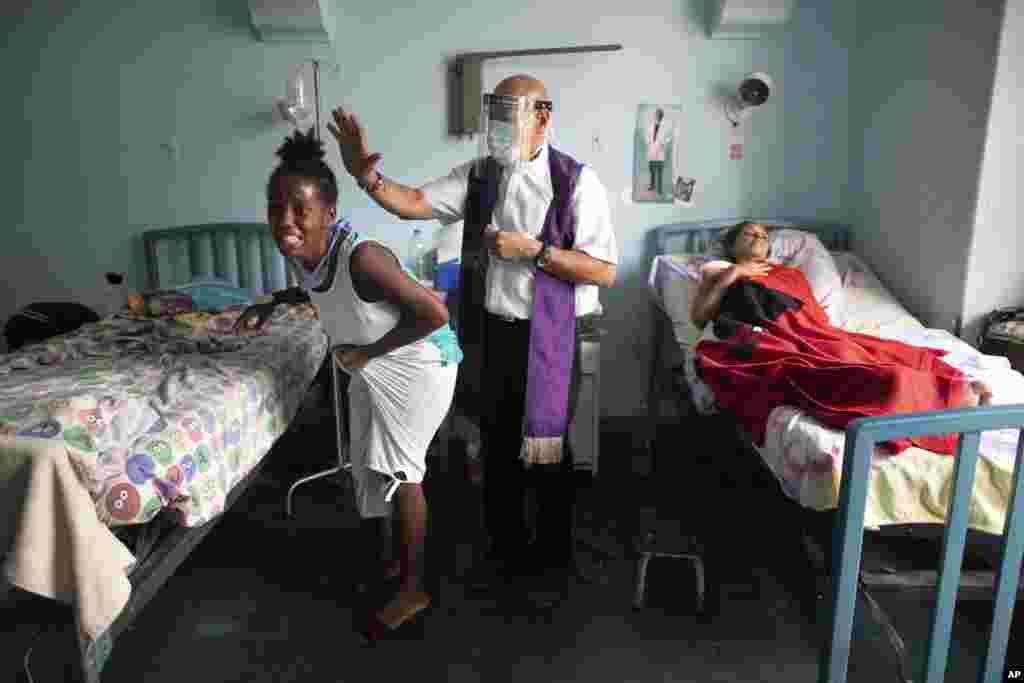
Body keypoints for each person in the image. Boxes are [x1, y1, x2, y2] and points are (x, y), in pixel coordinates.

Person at [326, 74, 618, 602]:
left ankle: (552, 562)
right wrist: (365, 178)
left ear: (542, 118)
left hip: (549, 340)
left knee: (548, 455)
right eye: (495, 114)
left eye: (511, 114)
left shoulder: (577, 182)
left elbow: (603, 271)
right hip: (495, 335)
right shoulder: (479, 176)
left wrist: (535, 251)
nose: (499, 127)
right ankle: (504, 556)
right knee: (499, 447)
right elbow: (413, 201)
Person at [235, 129, 462, 642]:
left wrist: (368, 353)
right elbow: (314, 287)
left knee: (403, 472)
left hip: (419, 363)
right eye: (276, 209)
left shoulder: (364, 258)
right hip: (371, 362)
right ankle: (392, 560)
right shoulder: (302, 252)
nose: (285, 222)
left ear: (329, 214)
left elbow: (435, 313)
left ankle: (415, 588)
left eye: (300, 209)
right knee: (366, 462)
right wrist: (271, 303)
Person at [690, 221, 991, 455]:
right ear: (731, 247)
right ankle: (938, 396)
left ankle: (948, 387)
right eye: (748, 234)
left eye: (763, 235)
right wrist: (734, 275)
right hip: (764, 337)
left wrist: (810, 330)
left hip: (813, 334)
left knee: (879, 355)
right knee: (867, 376)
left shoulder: (790, 275)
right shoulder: (720, 273)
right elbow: (700, 317)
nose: (759, 237)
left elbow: (811, 317)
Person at [645, 108, 671, 196]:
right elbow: (647, 136)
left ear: (661, 117)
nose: (657, 117)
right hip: (652, 151)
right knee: (652, 170)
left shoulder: (665, 127)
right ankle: (652, 186)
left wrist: (663, 143)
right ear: (655, 116)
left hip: (660, 151)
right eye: (656, 115)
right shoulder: (650, 126)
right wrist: (649, 143)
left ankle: (659, 189)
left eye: (659, 115)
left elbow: (669, 138)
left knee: (659, 171)